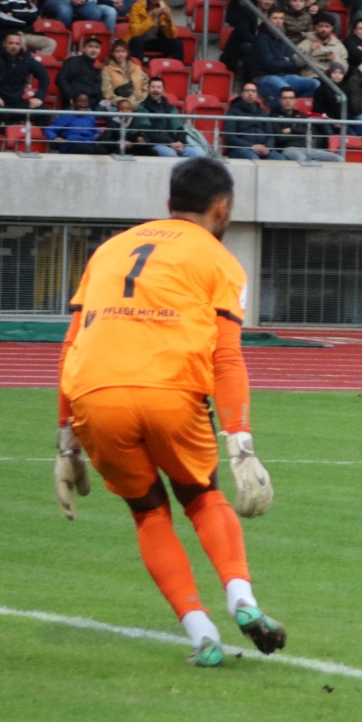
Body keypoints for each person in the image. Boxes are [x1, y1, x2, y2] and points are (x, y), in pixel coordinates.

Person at [53, 158, 285, 666]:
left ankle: (201, 633)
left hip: (95, 394)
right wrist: (241, 443)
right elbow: (227, 356)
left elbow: (71, 344)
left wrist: (66, 441)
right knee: (201, 497)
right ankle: (241, 599)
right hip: (171, 392)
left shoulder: (110, 249)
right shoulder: (221, 261)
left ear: (168, 205)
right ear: (223, 208)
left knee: (147, 512)